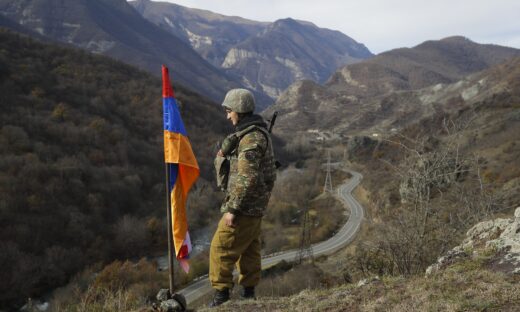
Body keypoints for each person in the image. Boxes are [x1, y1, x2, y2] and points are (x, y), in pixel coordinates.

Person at [209, 89, 277, 307]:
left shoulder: (251, 138)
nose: (228, 116)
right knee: (249, 249)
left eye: (229, 111)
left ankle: (221, 298)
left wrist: (233, 209)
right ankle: (248, 295)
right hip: (254, 205)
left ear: (238, 110)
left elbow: (247, 176)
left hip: (245, 206)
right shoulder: (252, 133)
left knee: (220, 248)